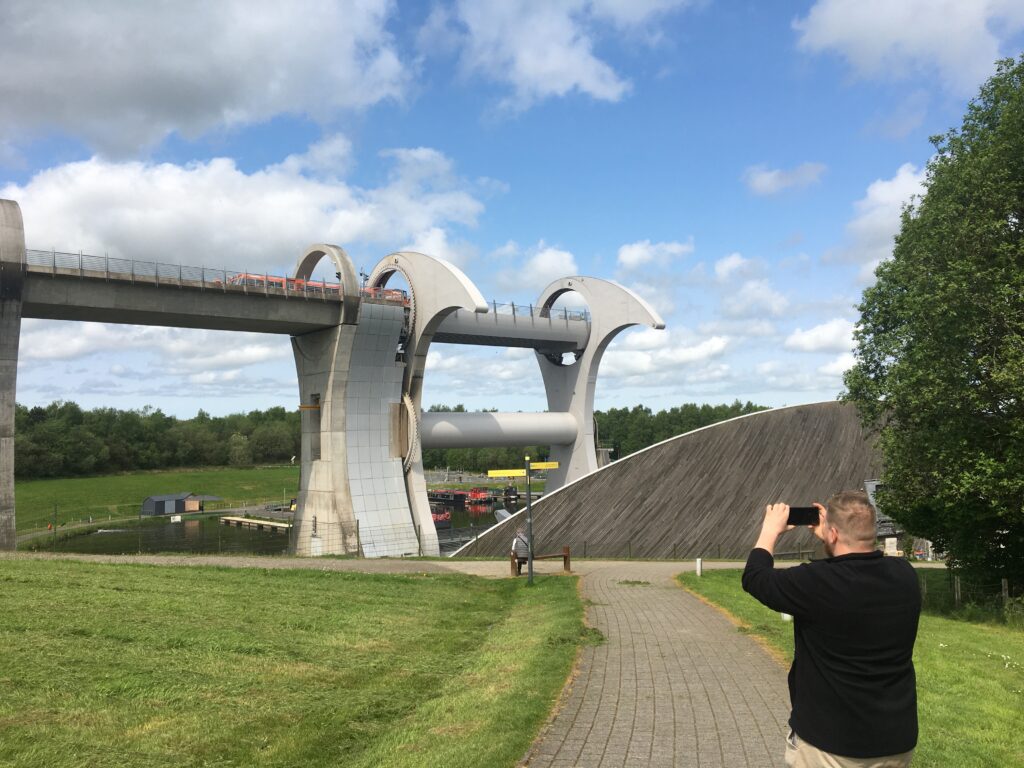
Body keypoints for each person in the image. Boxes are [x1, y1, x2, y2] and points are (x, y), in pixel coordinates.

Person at [742, 491, 921, 768]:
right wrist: (832, 537)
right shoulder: (905, 575)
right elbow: (862, 569)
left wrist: (770, 530)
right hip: (895, 740)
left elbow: (755, 577)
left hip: (831, 744)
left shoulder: (816, 582)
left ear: (834, 533)